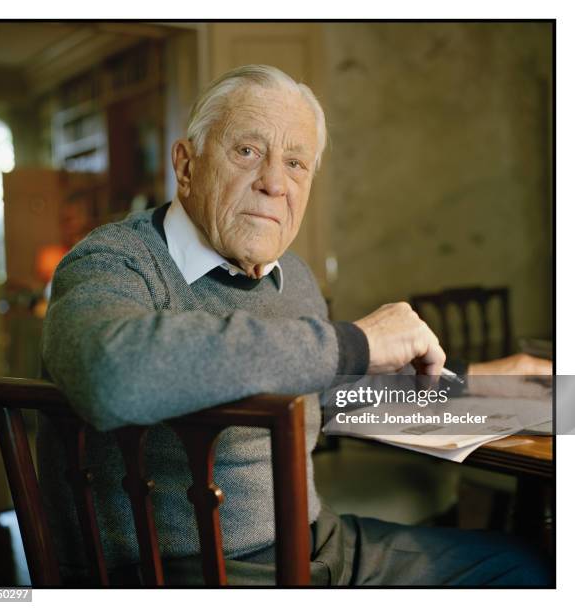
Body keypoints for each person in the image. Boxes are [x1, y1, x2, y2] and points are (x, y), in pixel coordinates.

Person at [39, 64, 552, 587]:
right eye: (247, 152)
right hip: (196, 577)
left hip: (320, 546)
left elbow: (335, 395)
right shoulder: (114, 258)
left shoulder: (294, 278)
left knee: (534, 567)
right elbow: (108, 375)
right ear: (186, 165)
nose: (274, 184)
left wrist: (486, 385)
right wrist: (351, 342)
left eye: (295, 163)